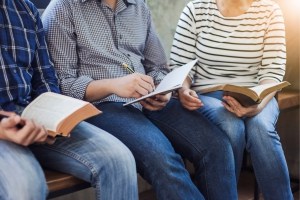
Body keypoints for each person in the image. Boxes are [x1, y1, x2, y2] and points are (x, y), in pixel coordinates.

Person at [42, 0, 238, 199]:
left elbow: (158, 68)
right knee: (161, 157)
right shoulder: (63, 8)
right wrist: (113, 85)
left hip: (148, 101)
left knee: (217, 146)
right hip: (101, 107)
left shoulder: (139, 7)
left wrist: (166, 91)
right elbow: (62, 85)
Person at [0, 0, 138, 199]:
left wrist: (51, 117)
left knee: (119, 159)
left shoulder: (25, 9)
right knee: (25, 186)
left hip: (30, 116)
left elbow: (45, 76)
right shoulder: (63, 8)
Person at [168, 0, 293, 199]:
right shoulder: (196, 9)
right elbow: (181, 66)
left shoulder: (269, 11)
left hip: (259, 94)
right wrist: (183, 89)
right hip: (207, 95)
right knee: (231, 124)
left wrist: (257, 107)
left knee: (260, 127)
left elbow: (272, 73)